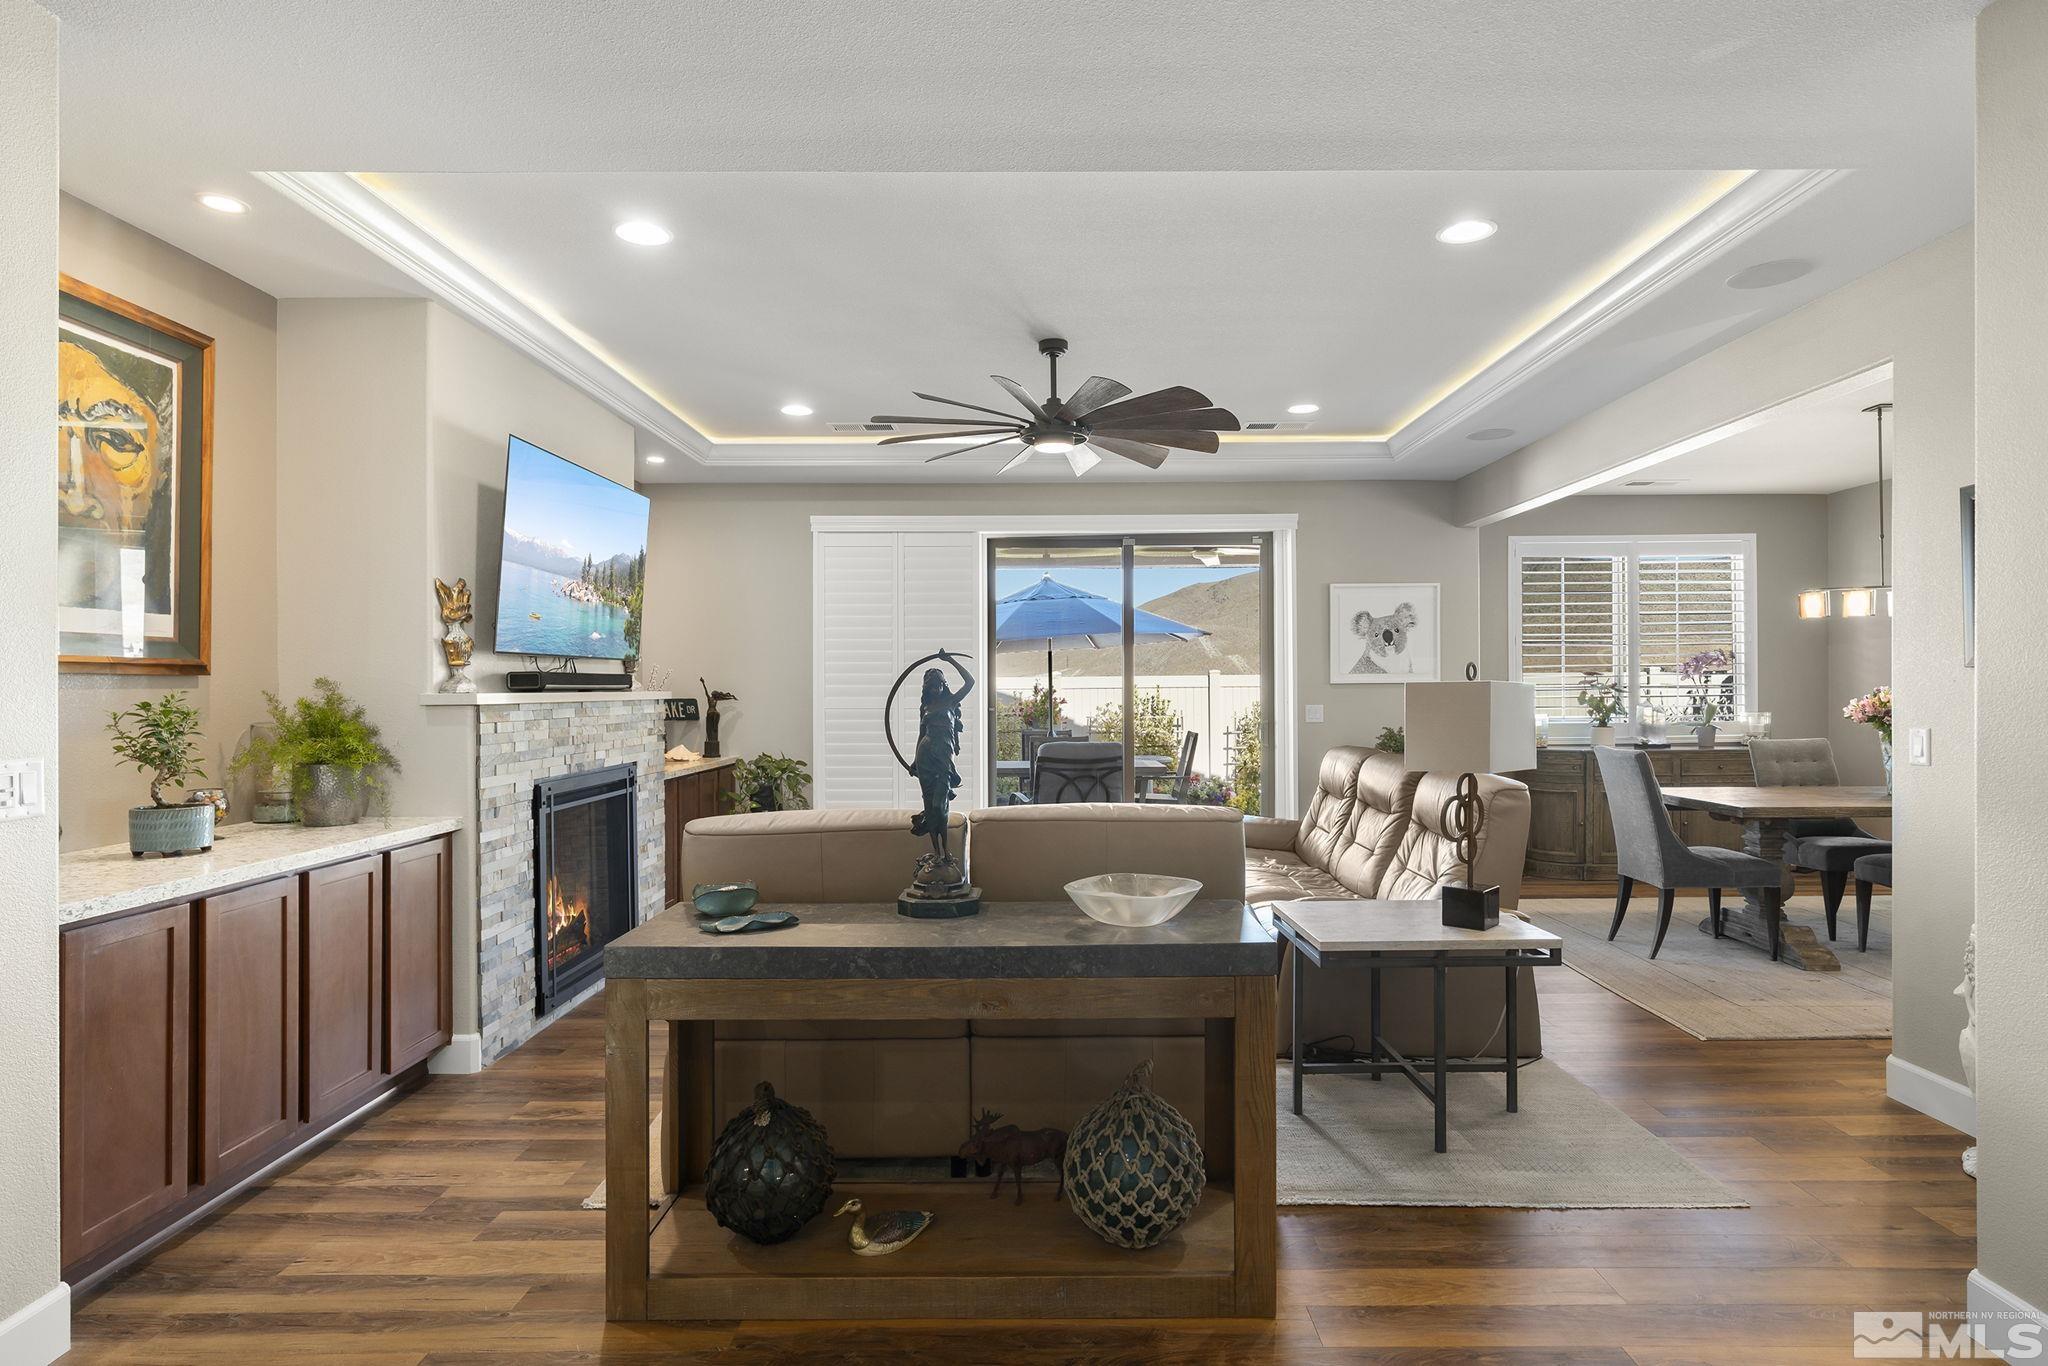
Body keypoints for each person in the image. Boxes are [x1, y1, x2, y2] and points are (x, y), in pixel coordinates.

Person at [907, 650, 974, 882]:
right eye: (930, 686)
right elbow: (920, 733)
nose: (934, 689)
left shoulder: (950, 700)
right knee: (929, 802)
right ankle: (937, 854)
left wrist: (950, 660)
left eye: (938, 685)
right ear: (927, 688)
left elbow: (970, 682)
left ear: (943, 685)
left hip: (944, 756)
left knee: (940, 805)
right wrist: (915, 760)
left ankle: (946, 854)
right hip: (925, 754)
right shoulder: (924, 707)